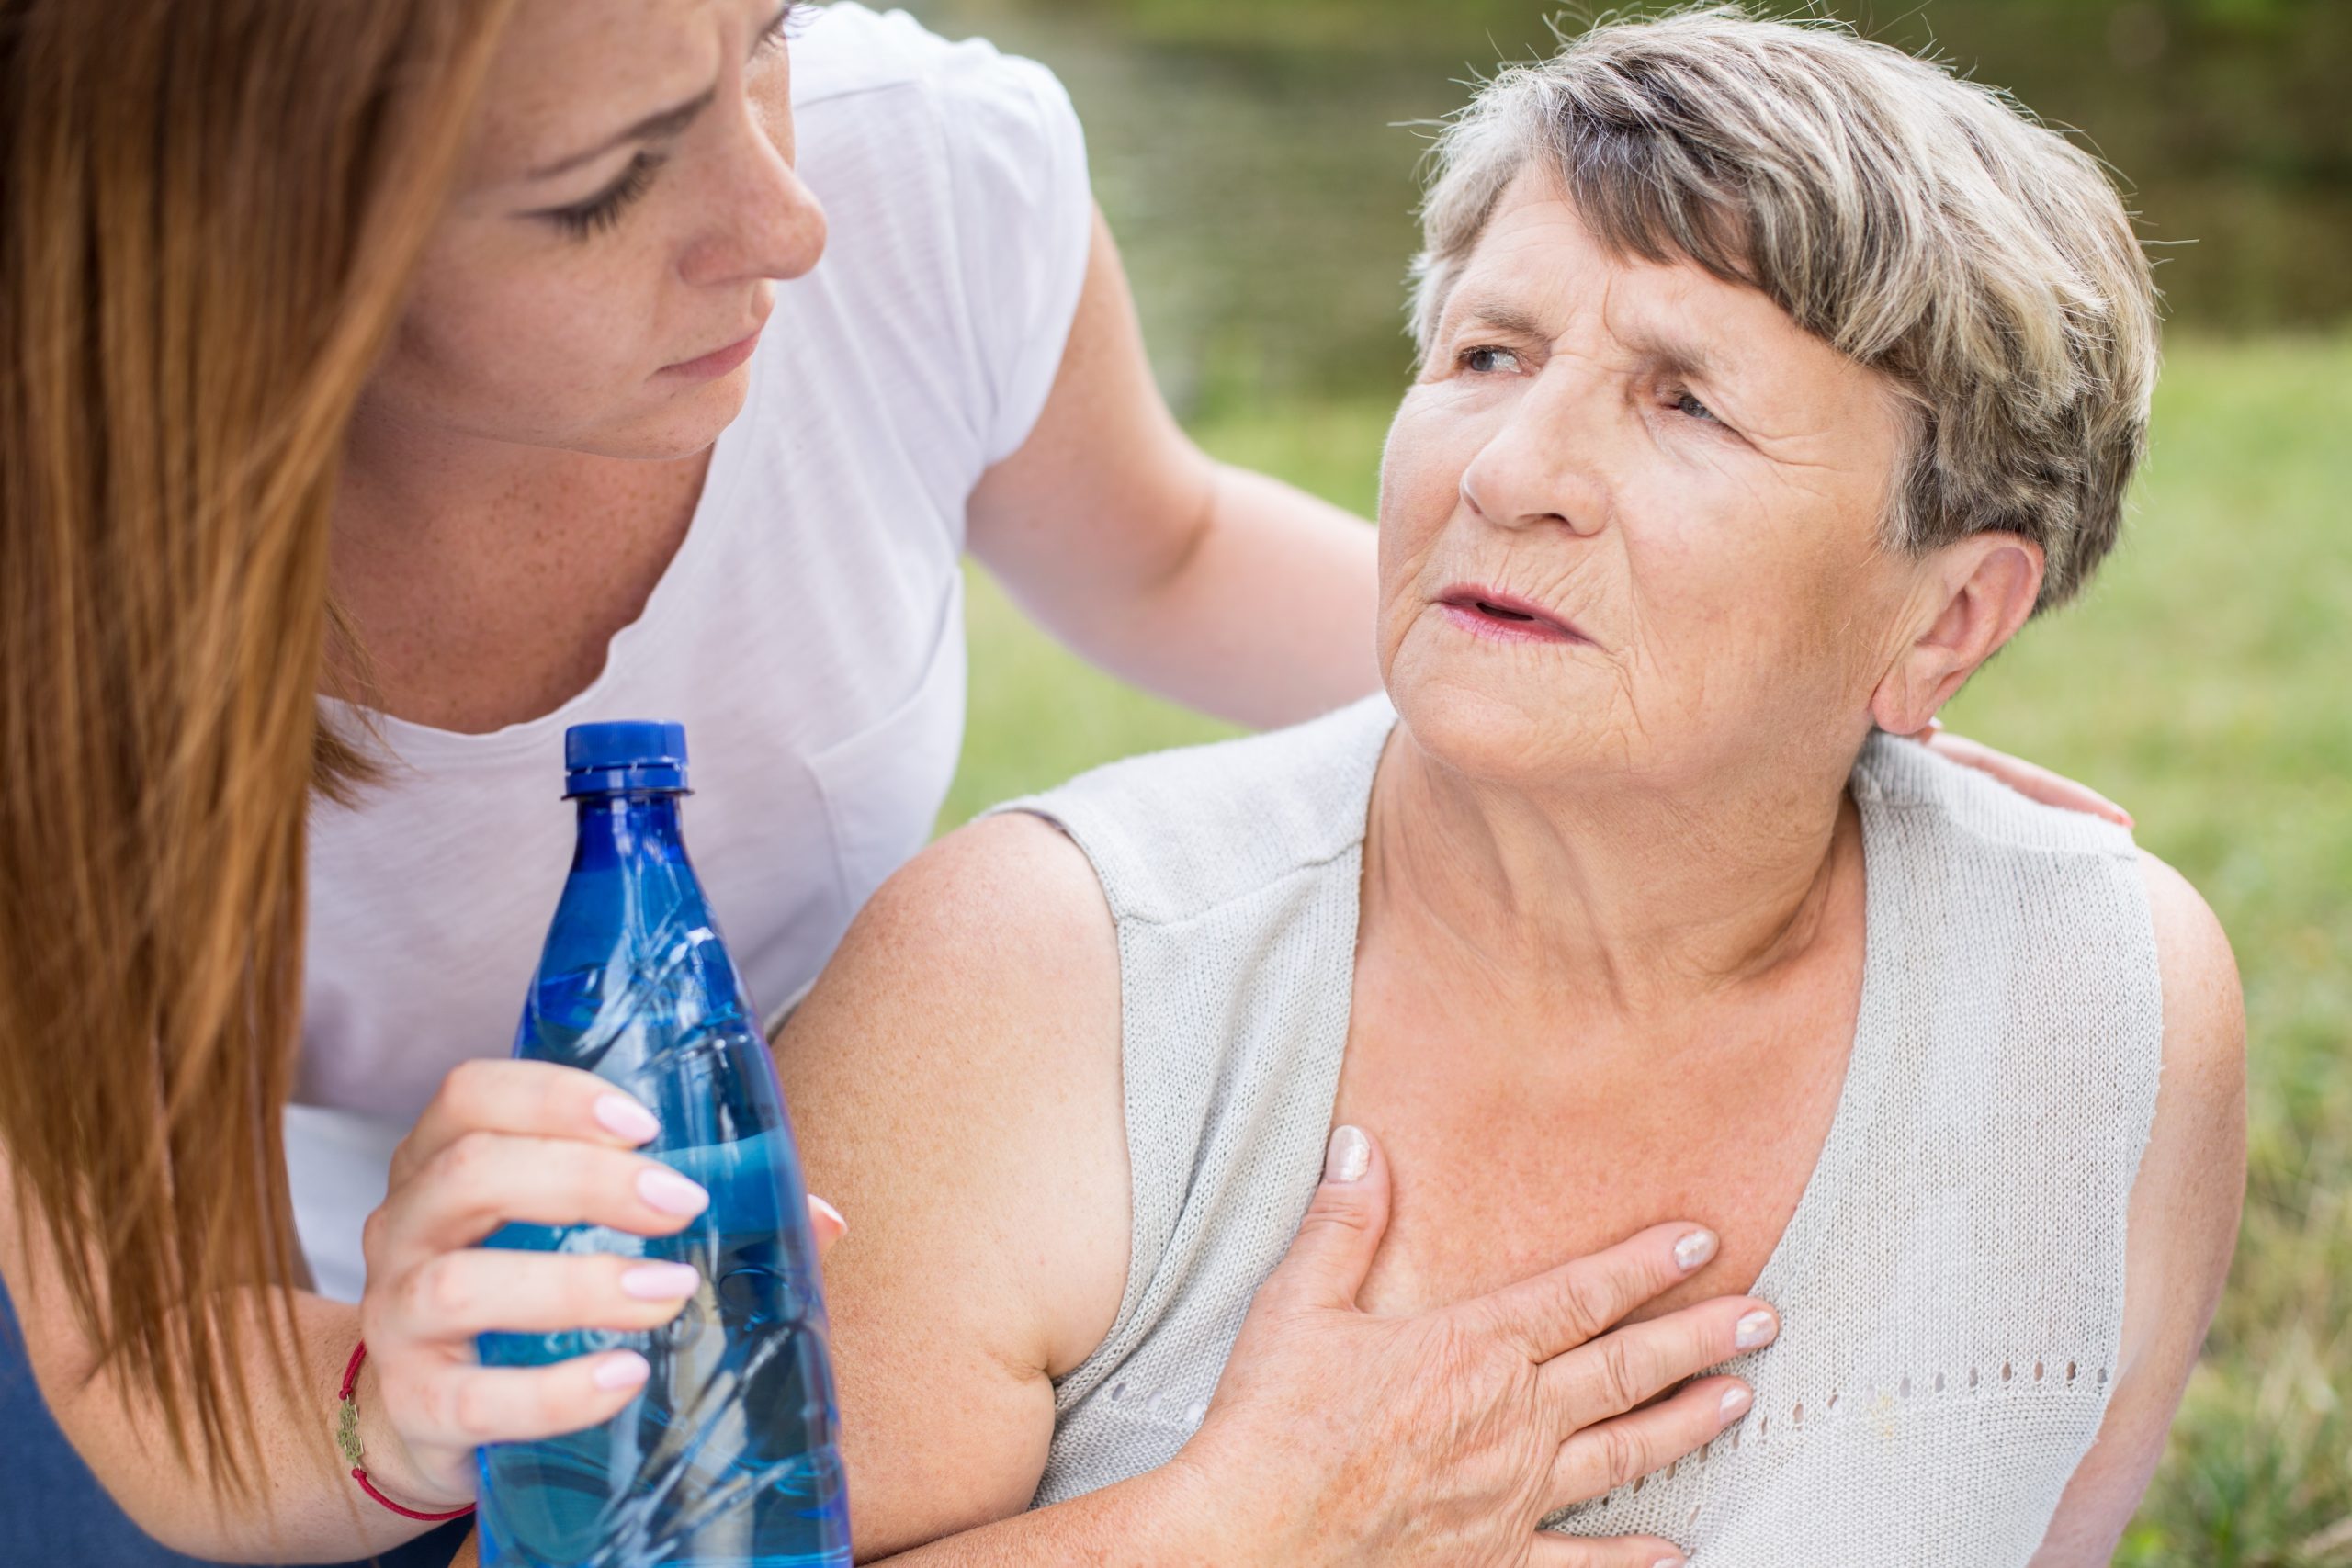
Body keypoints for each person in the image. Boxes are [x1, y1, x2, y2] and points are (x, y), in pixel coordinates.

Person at [0, 1, 2127, 1563]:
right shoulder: (52, 567)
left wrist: (1737, 694)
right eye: (600, 189)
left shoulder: (912, 176)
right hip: (265, 1310)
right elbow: (149, 1385)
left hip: (794, 1173)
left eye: (758, 40)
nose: (787, 214)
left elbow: (1171, 544)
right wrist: (396, 1399)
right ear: (274, 266)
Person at [774, 11, 2247, 1565]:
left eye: (1684, 398)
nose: (1506, 469)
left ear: (1946, 620)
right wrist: (1238, 1531)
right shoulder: (1037, 975)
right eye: (1489, 354)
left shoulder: (2110, 1005)